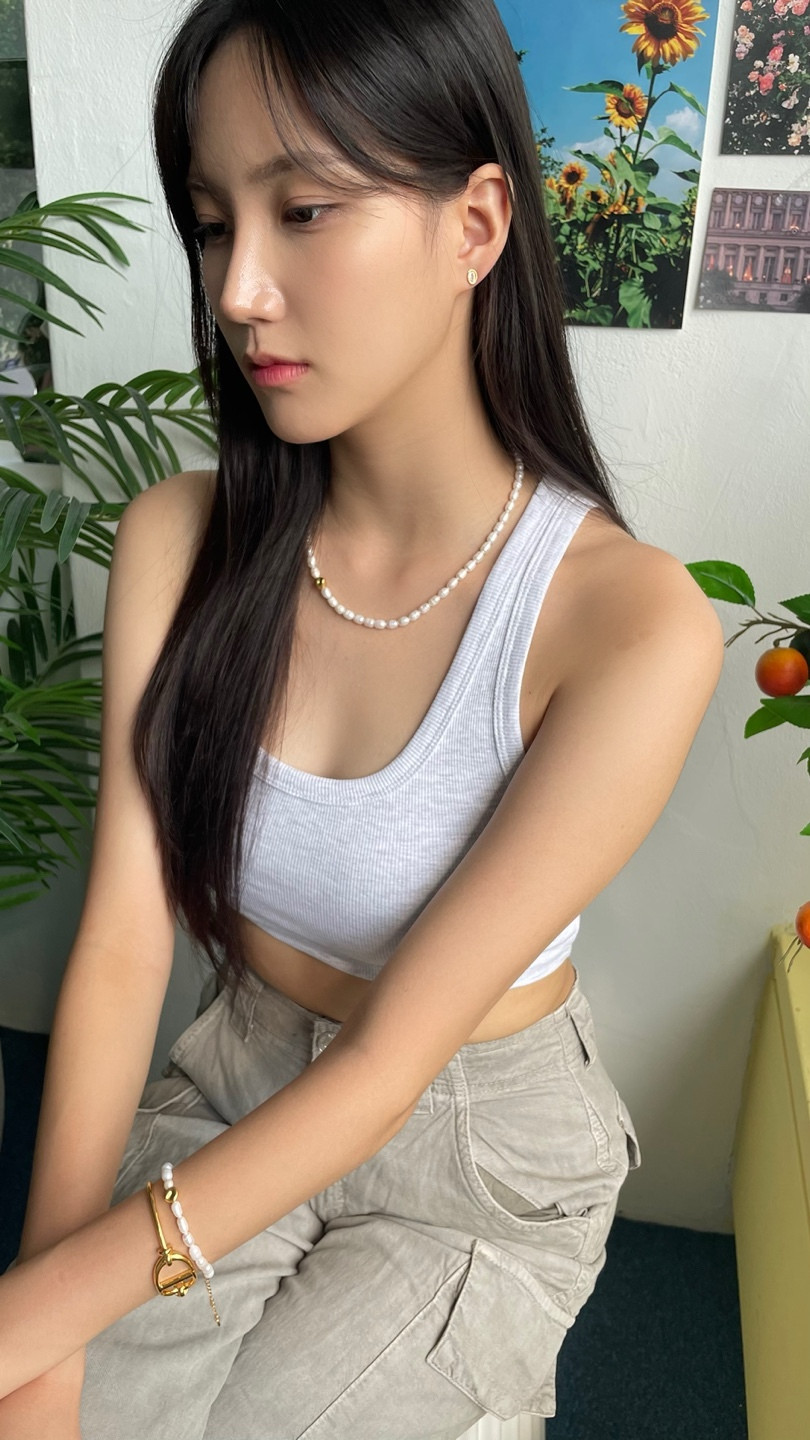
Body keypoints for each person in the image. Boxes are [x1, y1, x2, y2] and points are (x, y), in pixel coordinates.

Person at [0, 1, 725, 1436]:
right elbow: (126, 946)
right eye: (214, 223)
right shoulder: (177, 541)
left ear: (475, 227)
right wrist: (42, 1340)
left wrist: (32, 1315)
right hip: (236, 1073)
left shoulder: (629, 625)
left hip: (473, 1145)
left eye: (307, 210)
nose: (238, 290)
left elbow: (395, 1059)